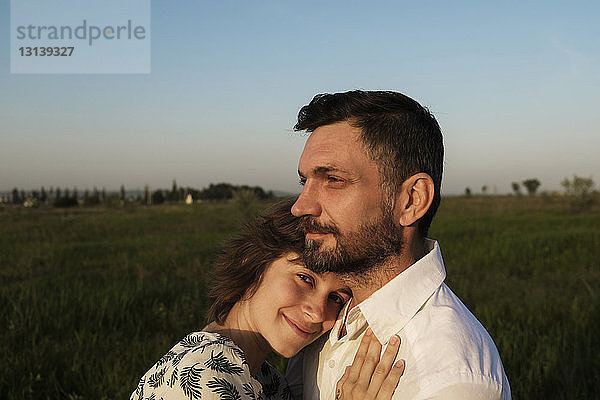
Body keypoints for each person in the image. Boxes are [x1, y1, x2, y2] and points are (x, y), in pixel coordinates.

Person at [286, 90, 511, 400]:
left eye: (333, 180)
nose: (300, 206)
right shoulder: (325, 311)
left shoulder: (451, 380)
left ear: (411, 201)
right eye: (305, 181)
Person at [130, 199, 404, 400]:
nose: (318, 313)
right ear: (254, 263)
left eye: (335, 298)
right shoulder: (203, 380)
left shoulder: (263, 376)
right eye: (305, 279)